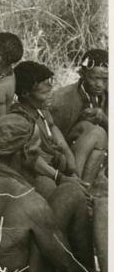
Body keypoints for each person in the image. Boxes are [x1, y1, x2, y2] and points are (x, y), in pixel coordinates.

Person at [0, 114, 98, 272]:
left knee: (54, 189)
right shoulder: (30, 203)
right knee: (72, 193)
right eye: (37, 150)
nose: (40, 155)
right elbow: (68, 267)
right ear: (23, 152)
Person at [10, 61, 88, 198]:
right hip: (34, 171)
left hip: (52, 163)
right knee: (48, 187)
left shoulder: (41, 110)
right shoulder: (20, 119)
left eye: (50, 90)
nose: (51, 95)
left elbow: (54, 130)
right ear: (25, 93)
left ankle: (82, 189)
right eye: (45, 93)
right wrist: (59, 177)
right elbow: (31, 159)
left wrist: (70, 159)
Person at [50, 49, 108, 183]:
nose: (100, 84)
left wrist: (104, 119)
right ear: (82, 74)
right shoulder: (62, 100)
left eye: (105, 79)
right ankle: (77, 185)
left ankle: (86, 186)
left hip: (99, 154)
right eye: (95, 78)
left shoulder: (108, 94)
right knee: (94, 132)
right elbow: (52, 139)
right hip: (66, 157)